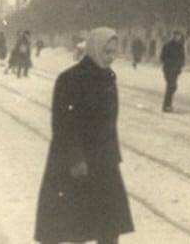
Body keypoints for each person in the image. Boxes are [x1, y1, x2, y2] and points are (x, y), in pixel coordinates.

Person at [35, 27, 134, 244]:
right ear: (94, 49)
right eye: (106, 52)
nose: (111, 57)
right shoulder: (70, 79)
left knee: (108, 227)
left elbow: (109, 123)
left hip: (104, 161)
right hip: (77, 161)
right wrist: (75, 158)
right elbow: (63, 124)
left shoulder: (108, 78)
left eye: (113, 52)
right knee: (76, 225)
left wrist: (113, 155)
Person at [160, 30, 185, 112]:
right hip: (168, 69)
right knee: (171, 86)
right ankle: (166, 106)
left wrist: (180, 66)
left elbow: (182, 57)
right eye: (176, 35)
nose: (178, 37)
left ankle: (168, 105)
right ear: (173, 36)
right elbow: (162, 57)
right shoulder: (168, 45)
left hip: (176, 69)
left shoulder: (180, 46)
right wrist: (170, 62)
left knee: (172, 87)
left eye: (179, 36)